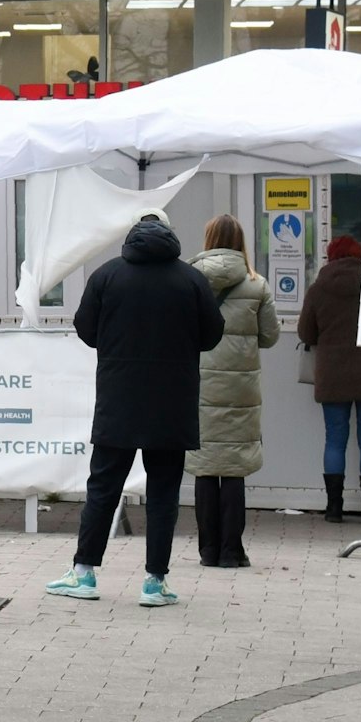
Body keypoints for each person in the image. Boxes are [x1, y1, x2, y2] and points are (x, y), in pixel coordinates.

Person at [46, 209, 223, 607]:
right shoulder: (191, 279)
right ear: (170, 233)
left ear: (131, 235)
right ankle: (154, 582)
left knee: (103, 487)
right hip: (172, 402)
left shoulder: (107, 275)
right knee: (163, 493)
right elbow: (212, 335)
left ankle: (84, 573)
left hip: (119, 398)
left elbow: (85, 329)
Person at [187, 215, 280, 568]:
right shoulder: (257, 285)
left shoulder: (191, 280)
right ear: (241, 241)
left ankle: (207, 551)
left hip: (199, 384)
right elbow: (270, 336)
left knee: (206, 467)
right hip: (241, 388)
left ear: (208, 238)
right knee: (234, 468)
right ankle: (231, 551)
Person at [298, 234, 361, 524]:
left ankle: (334, 508)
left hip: (332, 375)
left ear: (331, 256)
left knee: (335, 440)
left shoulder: (319, 287)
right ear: (359, 255)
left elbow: (306, 334)